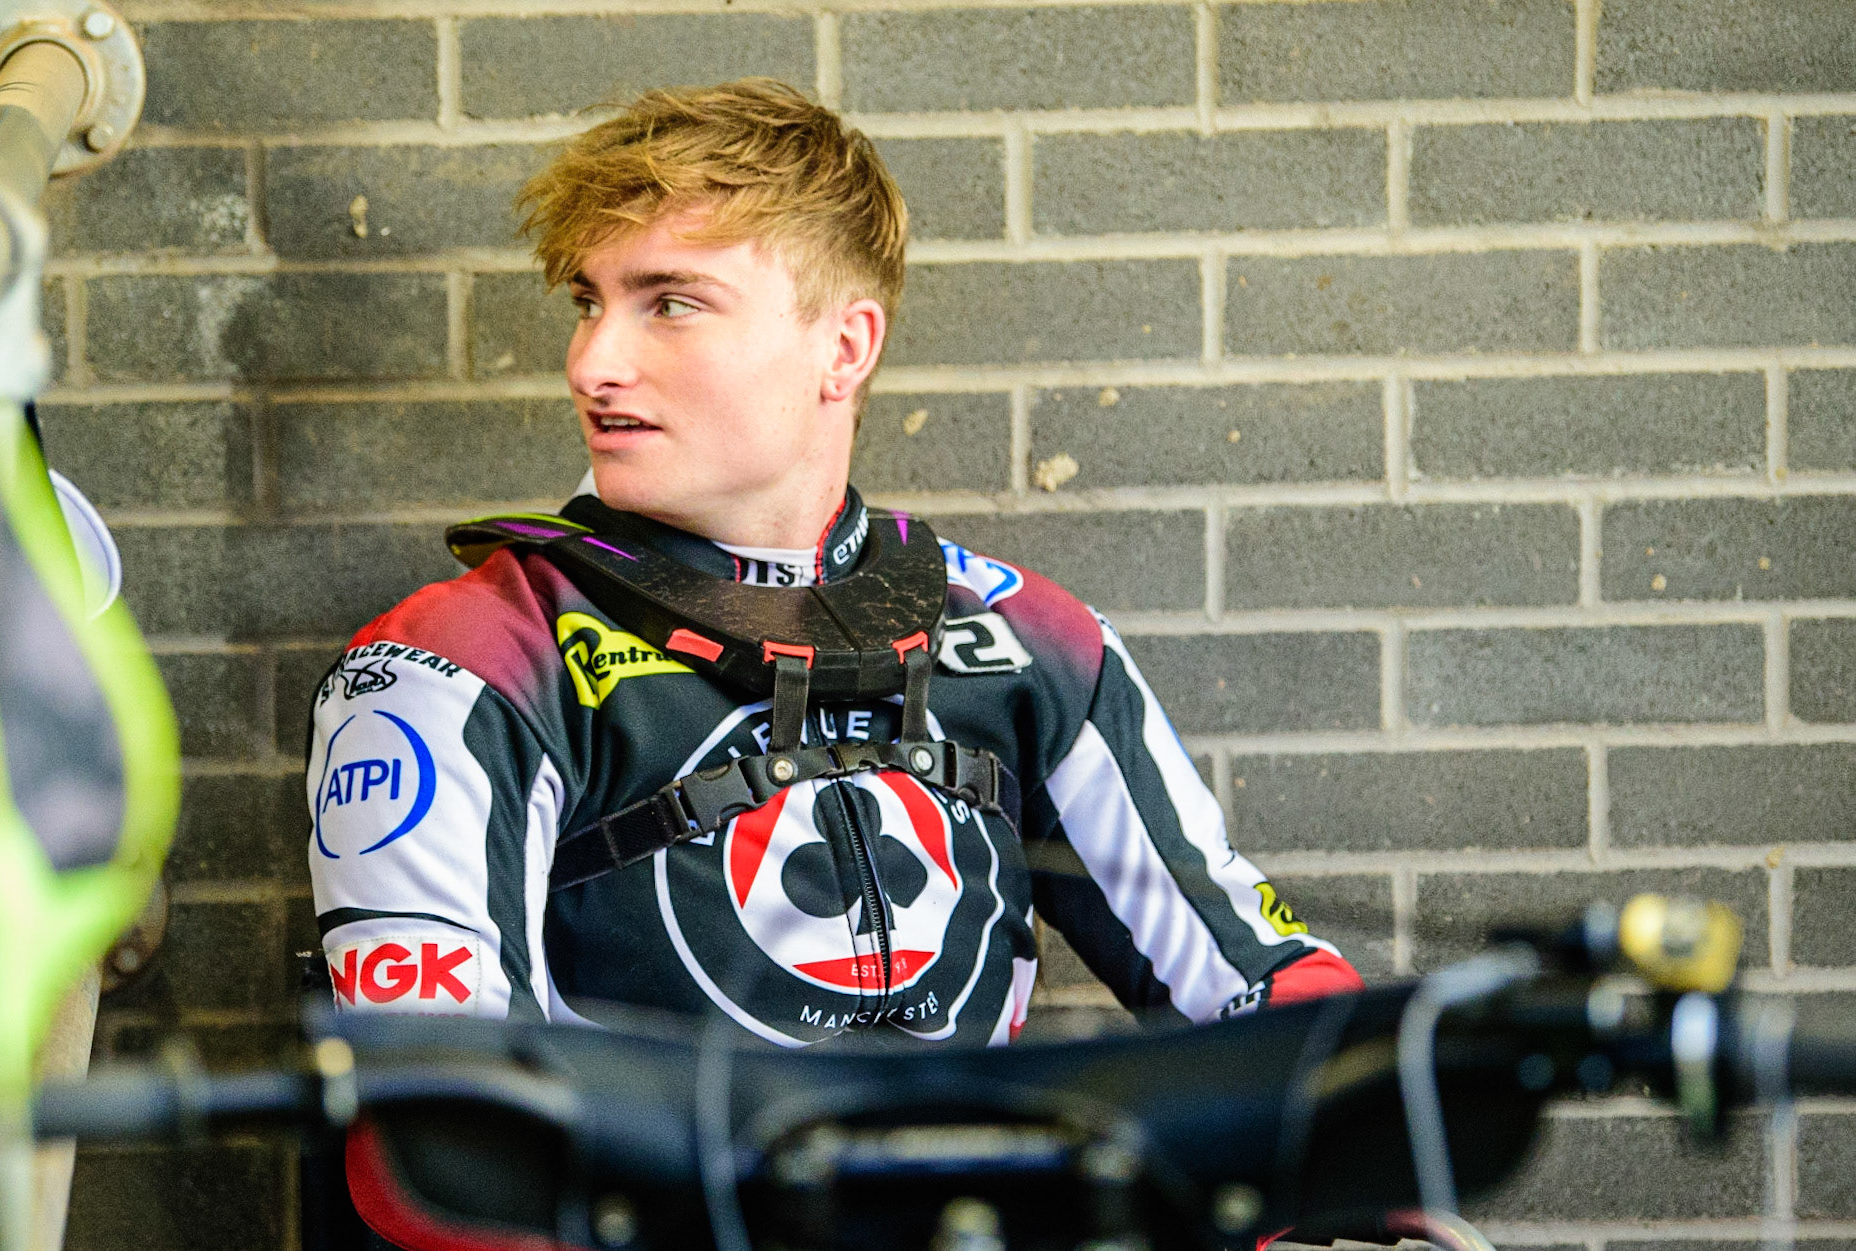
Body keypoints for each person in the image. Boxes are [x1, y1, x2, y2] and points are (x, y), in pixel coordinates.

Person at [304, 79, 1360, 1054]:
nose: (592, 364)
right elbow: (442, 1122)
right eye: (589, 303)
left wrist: (1373, 1104)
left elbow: (1264, 992)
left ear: (845, 348)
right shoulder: (462, 662)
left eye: (670, 303)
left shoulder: (1032, 639)